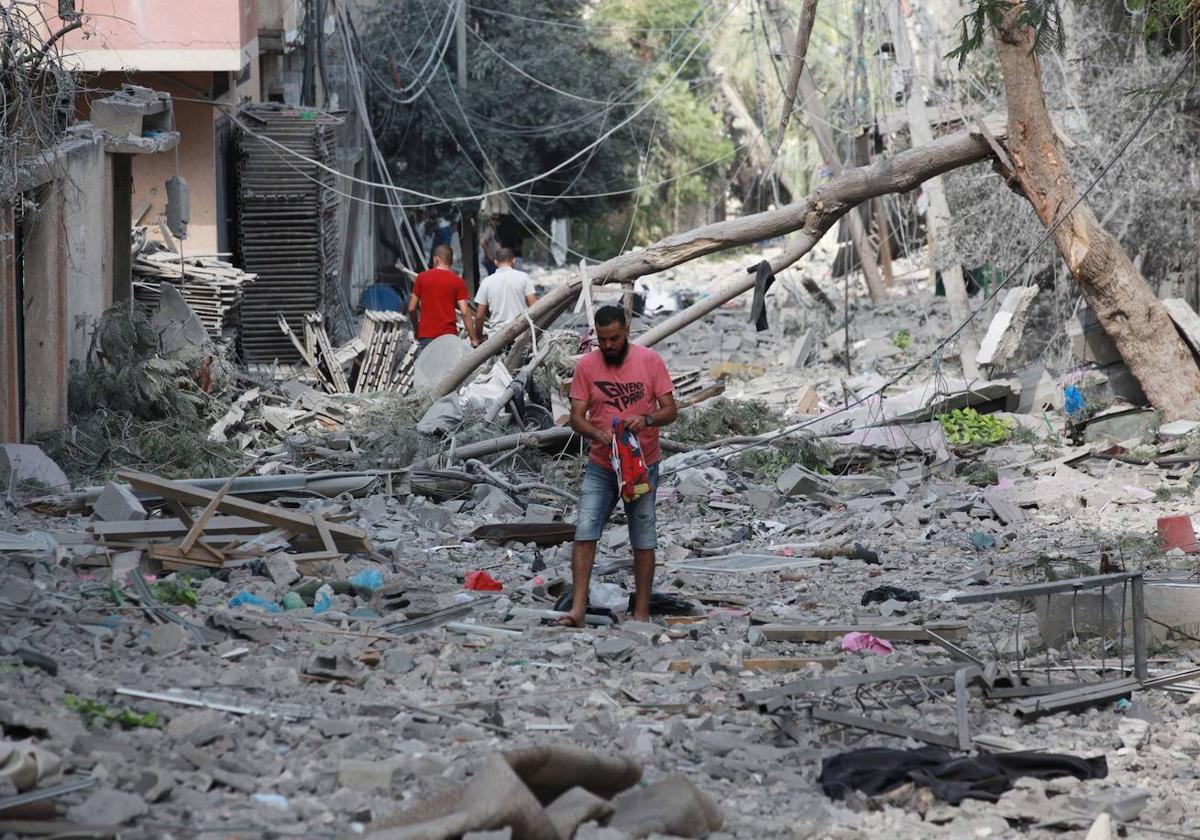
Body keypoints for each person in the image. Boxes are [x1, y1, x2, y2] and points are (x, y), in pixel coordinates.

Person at [561, 305, 678, 627]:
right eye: (602, 340)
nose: (609, 345)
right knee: (585, 532)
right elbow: (575, 417)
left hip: (641, 467)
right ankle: (578, 611)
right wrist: (598, 434)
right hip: (601, 465)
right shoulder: (587, 366)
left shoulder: (649, 361)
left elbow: (671, 409)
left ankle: (640, 612)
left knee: (643, 536)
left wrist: (647, 419)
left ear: (626, 330)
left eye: (614, 338)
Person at [408, 243, 480, 350]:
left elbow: (411, 308)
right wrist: (473, 339)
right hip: (448, 337)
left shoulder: (422, 278)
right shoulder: (458, 281)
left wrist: (416, 329)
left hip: (426, 336)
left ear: (436, 259)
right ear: (451, 261)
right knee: (447, 366)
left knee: (426, 366)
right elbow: (464, 312)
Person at [474, 247, 537, 337]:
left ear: (495, 262)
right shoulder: (524, 277)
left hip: (496, 336)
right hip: (521, 333)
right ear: (513, 260)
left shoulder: (486, 282)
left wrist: (478, 337)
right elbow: (534, 307)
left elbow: (479, 316)